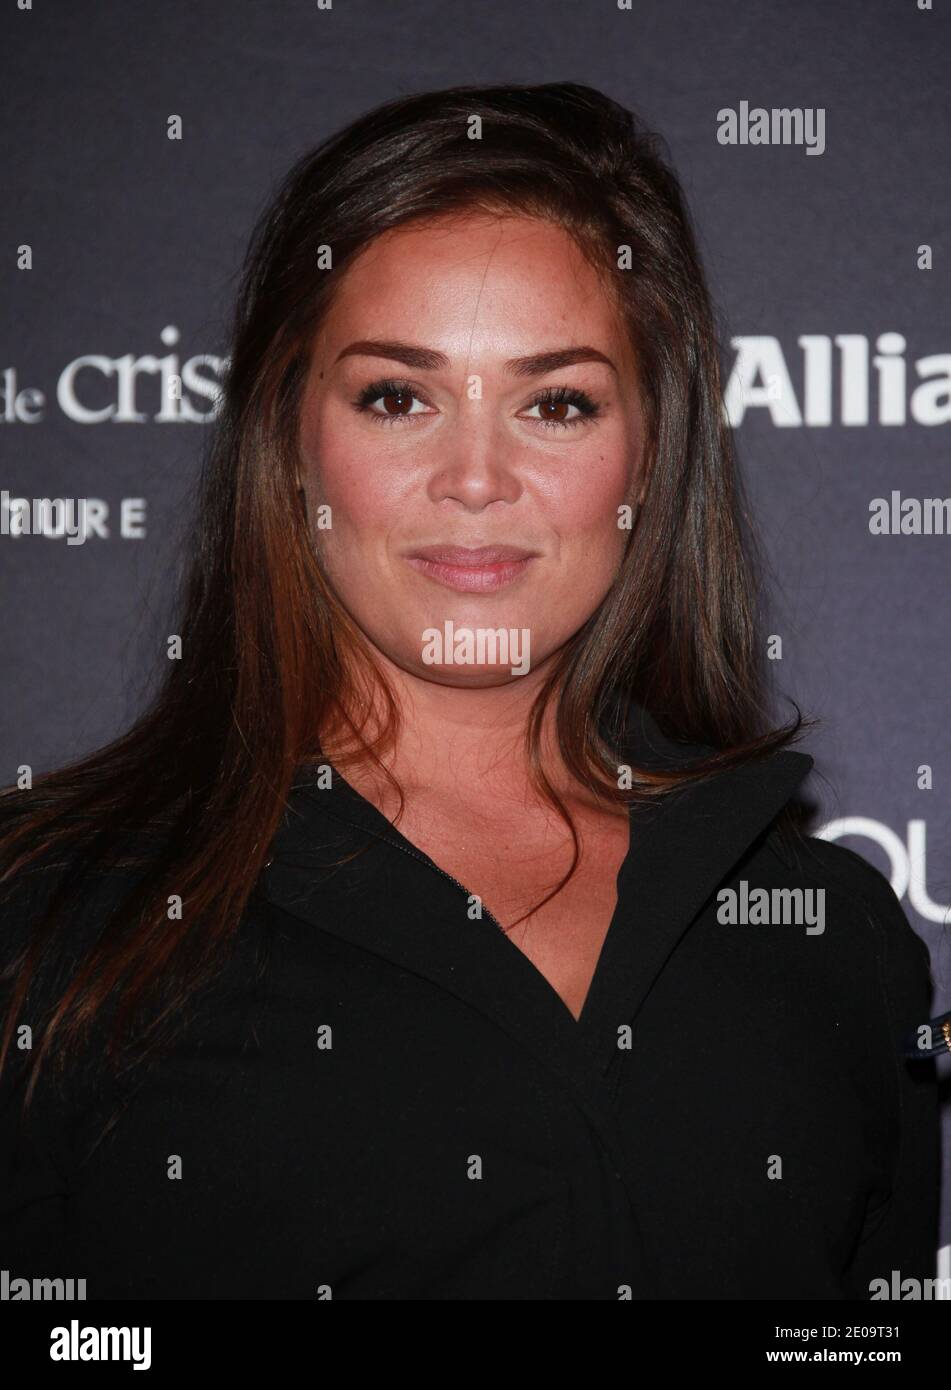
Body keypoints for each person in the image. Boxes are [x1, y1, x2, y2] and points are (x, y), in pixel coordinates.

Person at [0, 81, 940, 1300]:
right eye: (400, 395)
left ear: (650, 454)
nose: (477, 477)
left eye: (557, 402)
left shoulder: (834, 940)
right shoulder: (52, 920)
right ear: (290, 441)